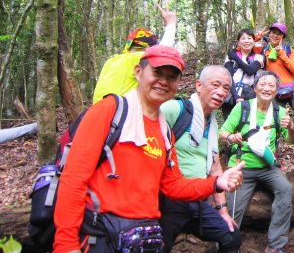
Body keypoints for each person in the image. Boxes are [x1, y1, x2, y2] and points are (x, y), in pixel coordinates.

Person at [53, 45, 245, 253]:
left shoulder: (164, 130)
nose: (163, 81)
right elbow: (73, 179)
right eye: (157, 72)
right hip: (100, 233)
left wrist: (217, 182)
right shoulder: (109, 111)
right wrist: (66, 245)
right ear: (138, 71)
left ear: (178, 83)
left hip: (142, 235)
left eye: (172, 77)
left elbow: (173, 185)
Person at [159, 65, 242, 253]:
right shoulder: (174, 110)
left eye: (226, 88)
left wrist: (222, 211)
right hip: (169, 200)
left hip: (197, 200)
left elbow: (215, 169)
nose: (221, 92)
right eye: (215, 85)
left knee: (231, 236)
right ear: (199, 85)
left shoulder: (212, 124)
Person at [219, 71, 294, 253]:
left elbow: (293, 141)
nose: (267, 88)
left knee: (286, 189)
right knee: (233, 208)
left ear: (277, 90)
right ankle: (228, 246)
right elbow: (222, 134)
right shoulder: (243, 108)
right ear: (255, 88)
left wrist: (291, 127)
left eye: (271, 85)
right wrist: (232, 136)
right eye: (262, 84)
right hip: (241, 165)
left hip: (269, 166)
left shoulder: (280, 111)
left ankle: (276, 246)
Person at [92, 3, 177, 103]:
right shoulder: (137, 59)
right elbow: (163, 51)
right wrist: (171, 23)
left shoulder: (111, 61)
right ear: (148, 48)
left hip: (96, 112)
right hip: (116, 115)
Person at [262, 22, 294, 138]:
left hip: (293, 89)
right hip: (276, 91)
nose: (275, 35)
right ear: (269, 34)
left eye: (279, 34)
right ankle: (273, 150)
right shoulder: (265, 51)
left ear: (283, 37)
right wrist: (256, 37)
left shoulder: (289, 50)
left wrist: (282, 54)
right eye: (273, 32)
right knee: (274, 122)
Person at [222, 29, 265, 118]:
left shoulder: (258, 57)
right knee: (229, 126)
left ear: (254, 41)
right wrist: (236, 97)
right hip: (231, 94)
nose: (246, 41)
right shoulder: (230, 56)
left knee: (248, 125)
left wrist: (236, 58)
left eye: (249, 38)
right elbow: (228, 77)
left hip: (249, 95)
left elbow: (250, 70)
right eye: (243, 38)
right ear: (238, 42)